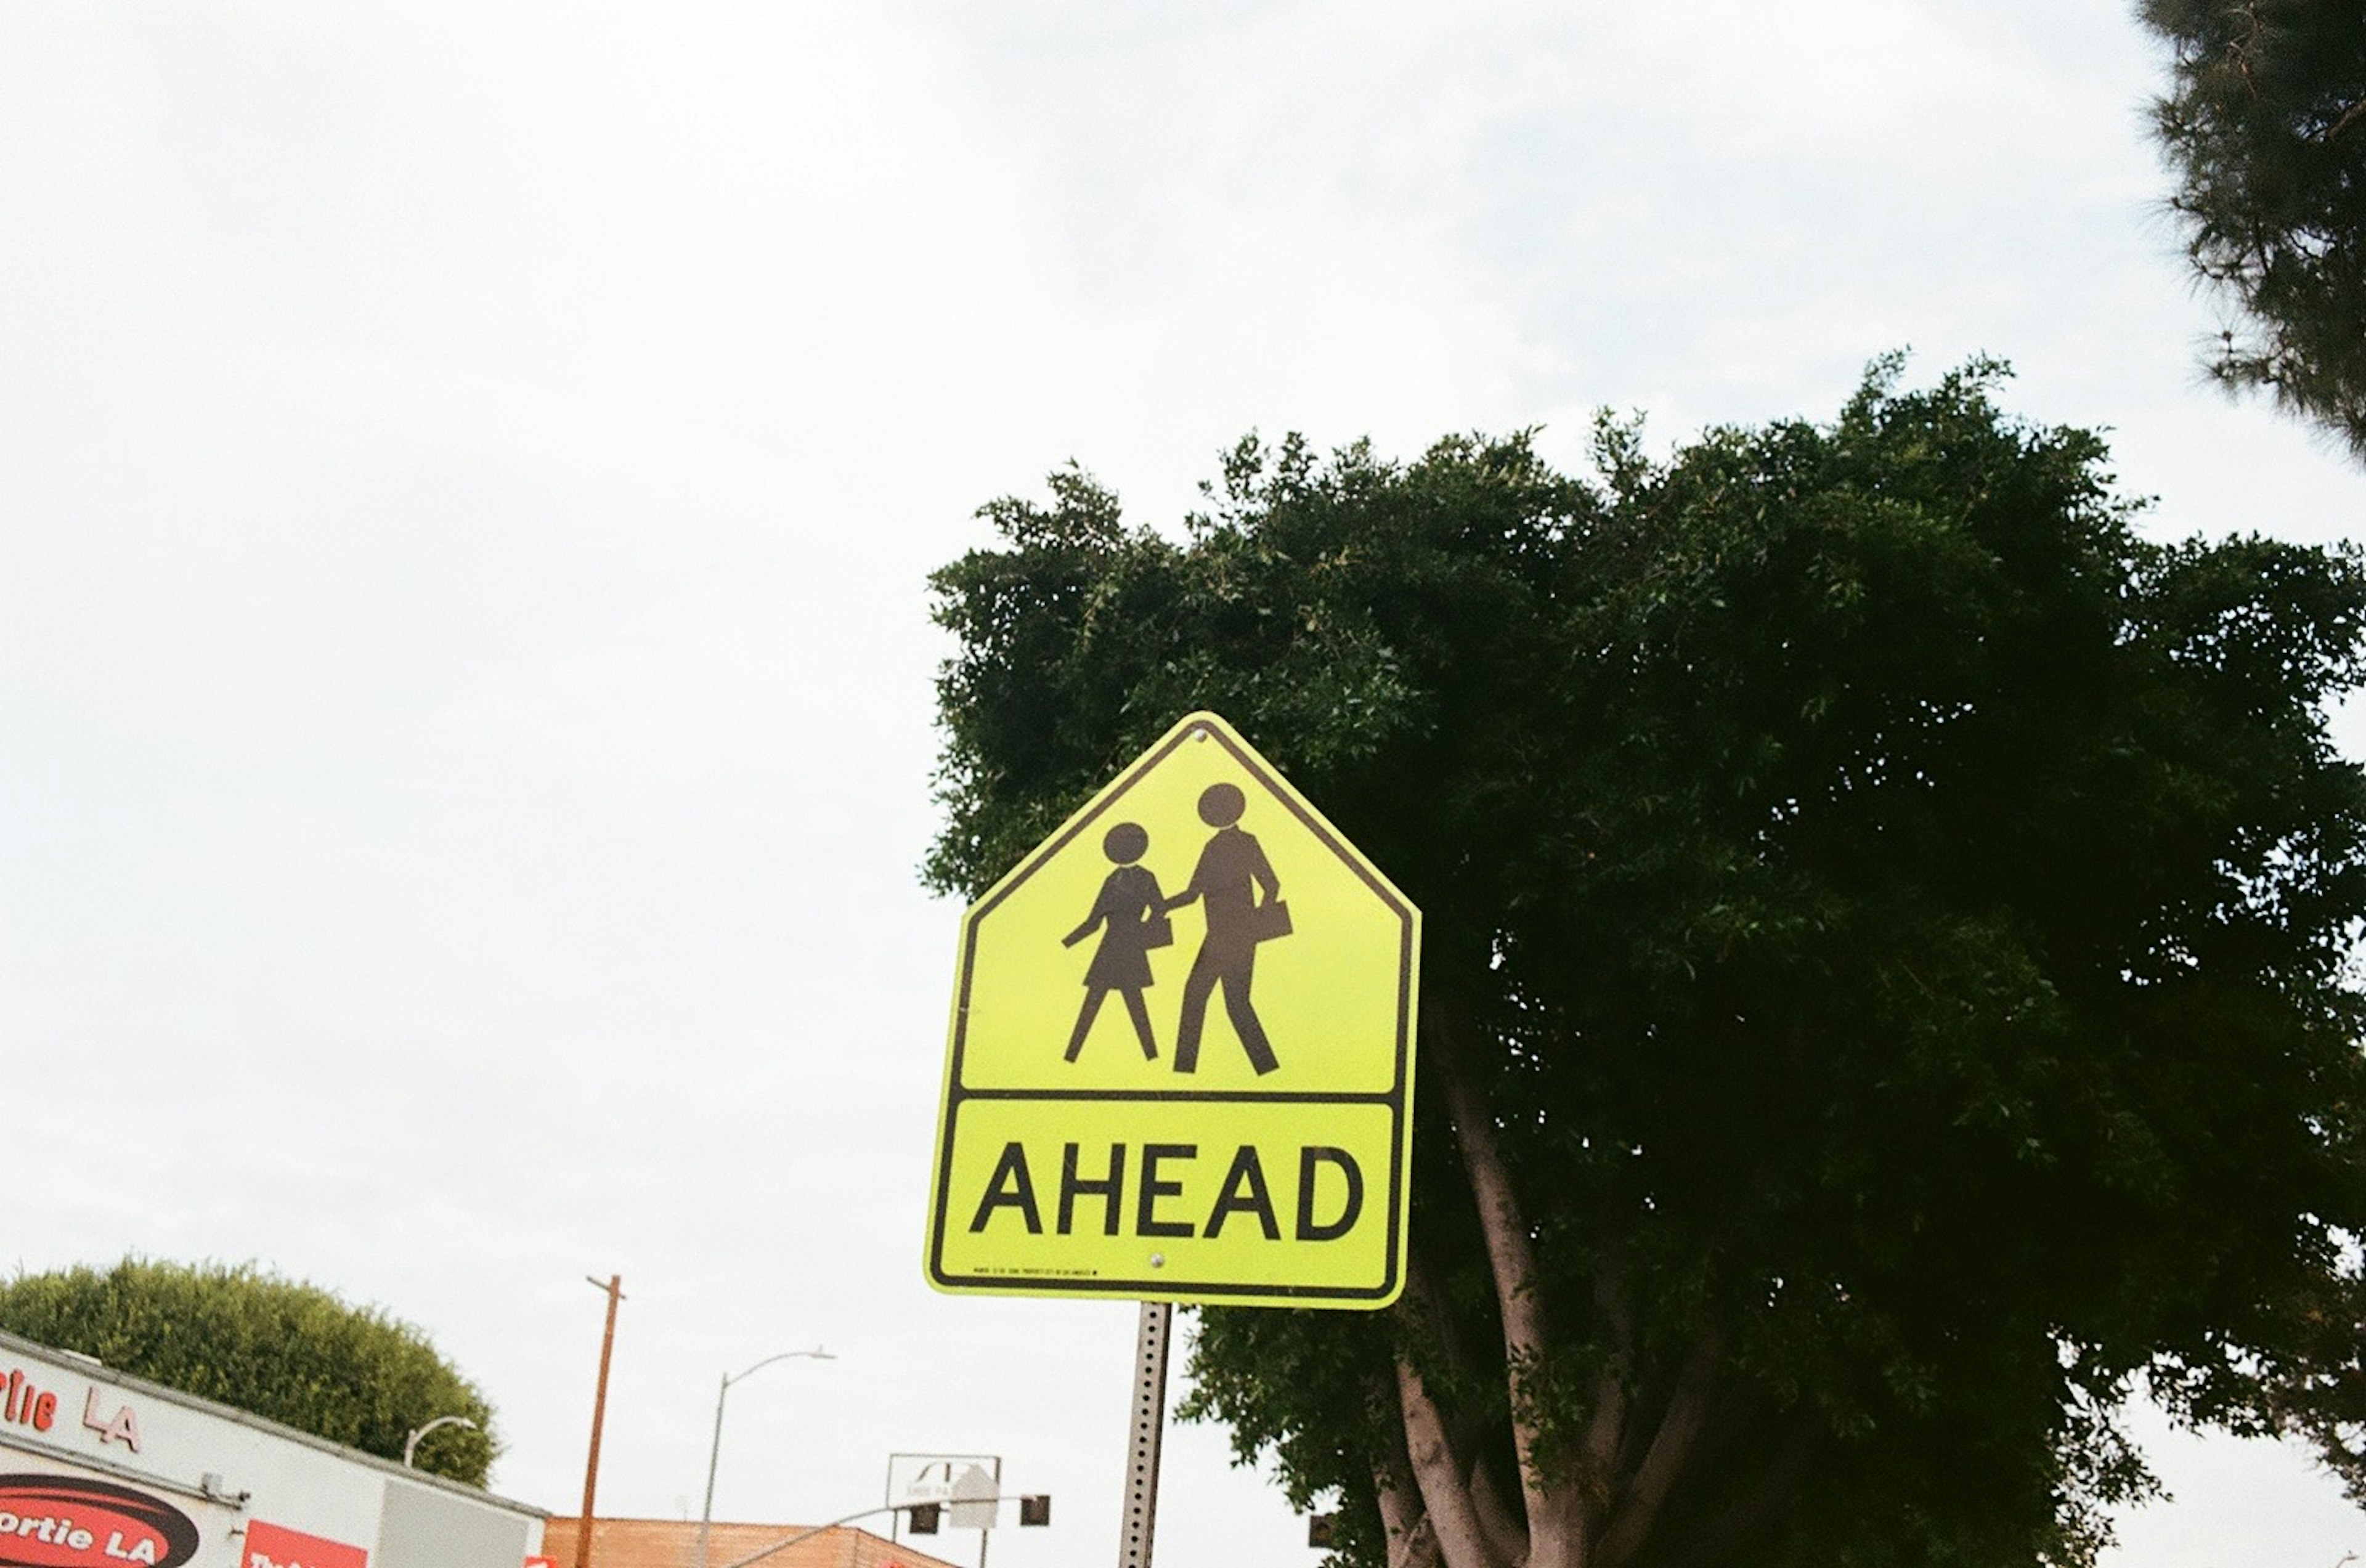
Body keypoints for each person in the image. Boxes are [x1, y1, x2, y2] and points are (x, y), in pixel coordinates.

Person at [1166, 782, 1284, 1074]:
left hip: (1230, 936)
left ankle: (1185, 1070)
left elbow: (1270, 884)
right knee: (1230, 1002)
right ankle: (1265, 1068)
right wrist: (1163, 905)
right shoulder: (1225, 845)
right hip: (1227, 935)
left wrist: (1256, 923)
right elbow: (1196, 893)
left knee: (1207, 997)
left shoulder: (1232, 845)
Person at [1060, 821, 1168, 1062]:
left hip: (1122, 948)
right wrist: (1066, 943)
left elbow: (1158, 910)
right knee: (1098, 1002)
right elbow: (1095, 921)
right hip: (1117, 948)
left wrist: (1141, 933)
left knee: (1132, 1004)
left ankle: (1152, 1058)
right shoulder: (1116, 879)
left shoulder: (1136, 878)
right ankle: (1071, 1057)